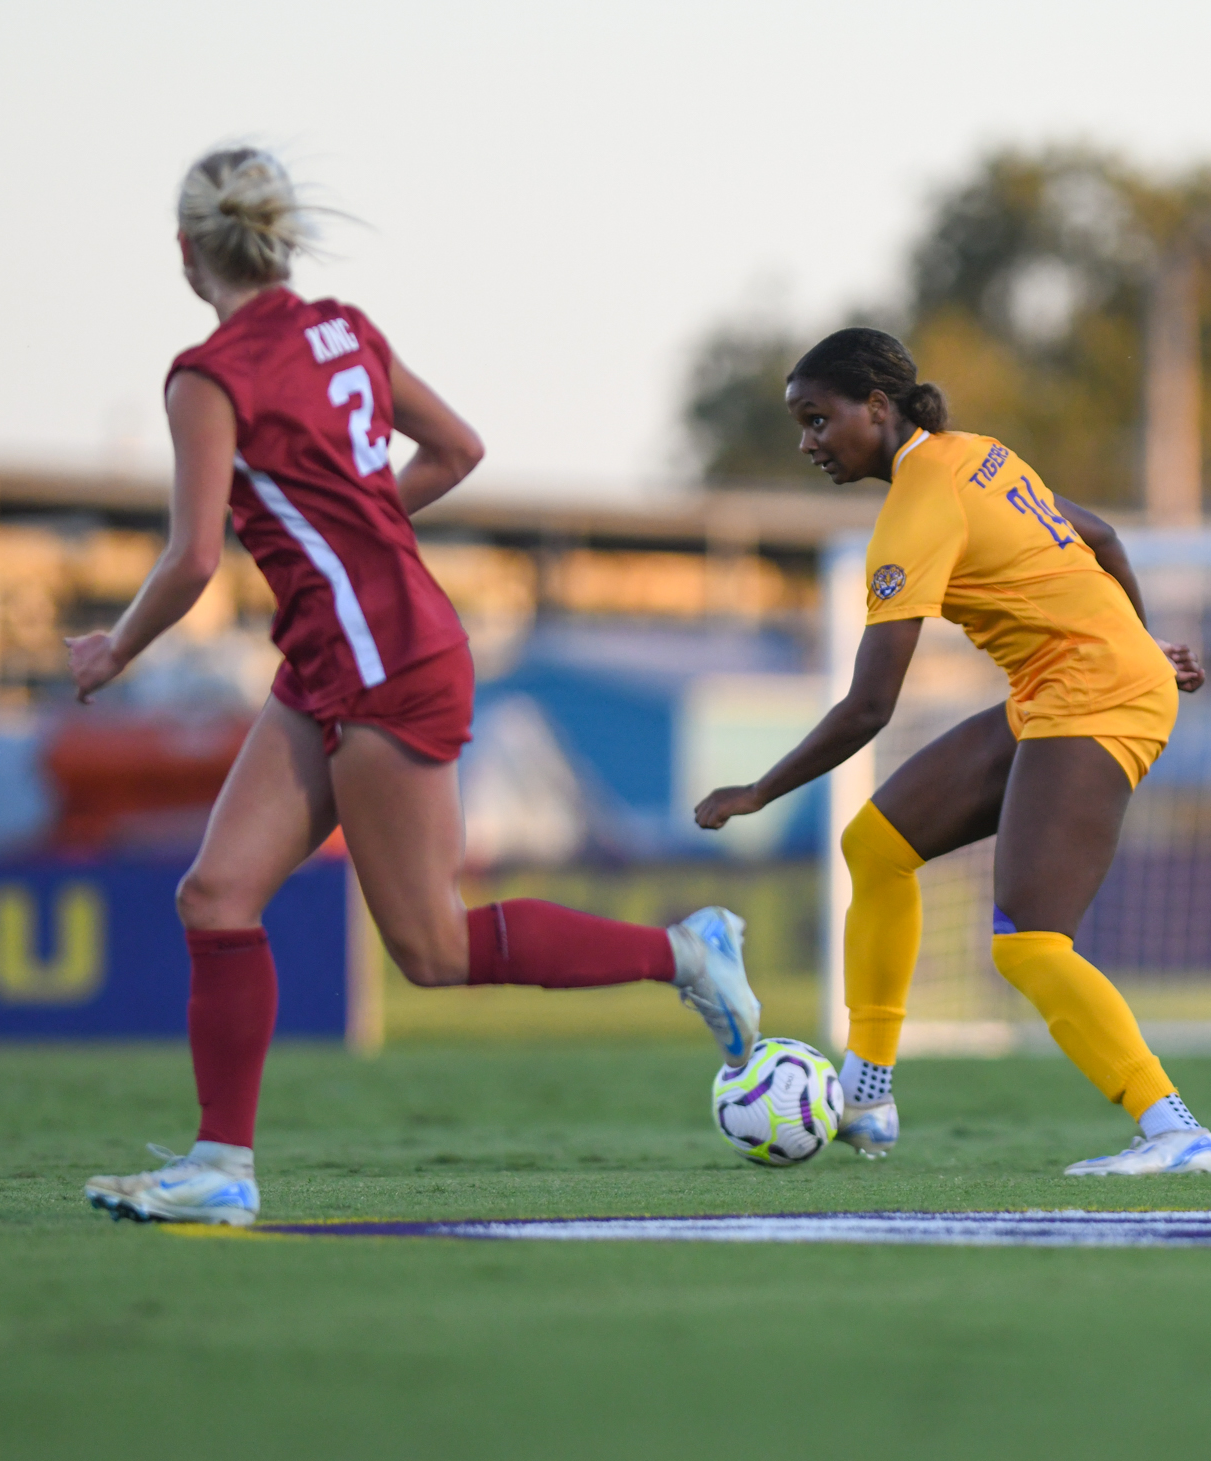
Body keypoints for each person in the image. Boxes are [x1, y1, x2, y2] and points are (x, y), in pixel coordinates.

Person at [70, 149, 760, 1227]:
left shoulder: (208, 377)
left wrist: (114, 650)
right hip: (340, 654)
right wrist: (361, 526)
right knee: (213, 896)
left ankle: (684, 951)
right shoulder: (343, 328)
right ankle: (219, 1168)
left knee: (432, 951)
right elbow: (459, 449)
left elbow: (194, 559)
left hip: (381, 660)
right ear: (281, 237)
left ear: (185, 250)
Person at [696, 328, 1211, 1176]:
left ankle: (1176, 1131)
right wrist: (1142, 641)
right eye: (801, 425)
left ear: (877, 406)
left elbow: (871, 705)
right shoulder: (978, 454)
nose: (807, 443)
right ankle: (866, 1092)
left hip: (1095, 693)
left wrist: (760, 789)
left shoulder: (916, 506)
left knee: (1028, 942)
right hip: (1068, 683)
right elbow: (1103, 538)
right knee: (876, 845)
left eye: (818, 419)